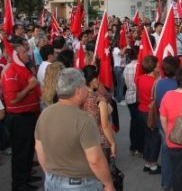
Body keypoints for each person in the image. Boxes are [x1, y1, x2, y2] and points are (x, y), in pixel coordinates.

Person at [34, 68, 114, 191]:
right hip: (80, 184)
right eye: (83, 86)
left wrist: (50, 174)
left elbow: (39, 149)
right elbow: (95, 160)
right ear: (78, 91)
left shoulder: (45, 113)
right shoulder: (84, 120)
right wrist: (108, 184)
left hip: (51, 181)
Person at [2, 44, 41, 191]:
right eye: (24, 53)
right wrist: (30, 87)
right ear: (16, 56)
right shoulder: (11, 72)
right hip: (19, 119)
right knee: (20, 153)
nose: (28, 55)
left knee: (28, 149)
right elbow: (13, 100)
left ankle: (25, 177)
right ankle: (19, 185)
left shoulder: (22, 69)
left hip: (28, 116)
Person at [155, 56, 180, 191]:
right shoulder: (179, 85)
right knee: (178, 155)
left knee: (165, 154)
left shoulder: (159, 83)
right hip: (176, 124)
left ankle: (166, 182)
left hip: (162, 123)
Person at [82, 65, 116, 160]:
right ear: (93, 80)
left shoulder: (78, 96)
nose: (99, 81)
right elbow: (105, 125)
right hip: (100, 140)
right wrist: (112, 143)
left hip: (84, 139)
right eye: (98, 78)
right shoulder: (99, 99)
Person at [136, 55, 161, 174]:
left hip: (141, 110)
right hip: (152, 113)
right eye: (157, 64)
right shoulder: (156, 82)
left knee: (147, 137)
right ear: (153, 67)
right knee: (155, 138)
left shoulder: (139, 78)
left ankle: (147, 162)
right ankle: (153, 164)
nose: (159, 66)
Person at [123, 46, 142, 156]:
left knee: (134, 121)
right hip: (139, 97)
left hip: (130, 97)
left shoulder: (127, 67)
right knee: (140, 123)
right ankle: (139, 147)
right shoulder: (139, 67)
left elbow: (126, 83)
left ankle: (133, 146)